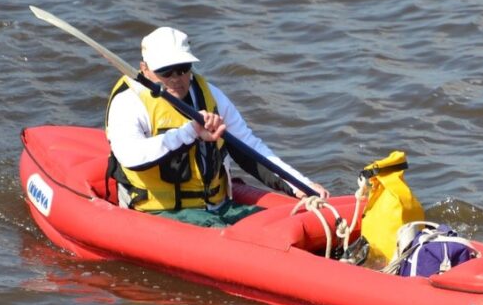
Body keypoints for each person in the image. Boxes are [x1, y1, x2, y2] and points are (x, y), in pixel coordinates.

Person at [104, 26, 327, 227]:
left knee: (284, 225)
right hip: (160, 212)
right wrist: (191, 132)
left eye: (183, 68)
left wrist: (301, 186)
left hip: (217, 207)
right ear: (144, 68)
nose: (176, 78)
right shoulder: (128, 102)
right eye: (166, 72)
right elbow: (132, 157)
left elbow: (249, 147)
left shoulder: (209, 95)